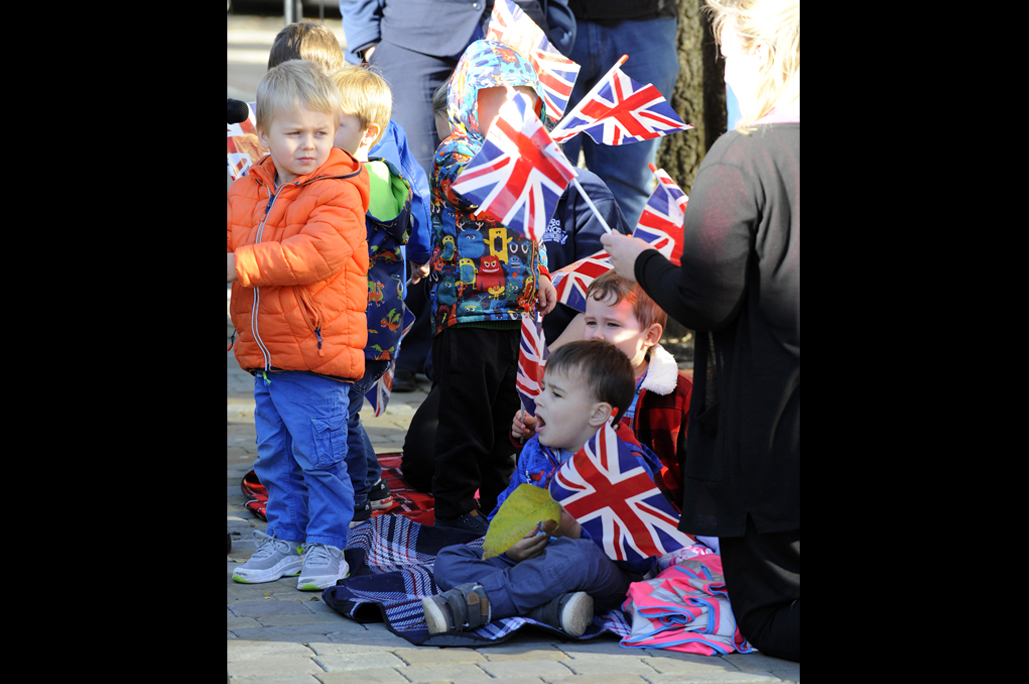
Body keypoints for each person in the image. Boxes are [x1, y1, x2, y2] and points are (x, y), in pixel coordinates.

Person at [600, 0, 799, 661]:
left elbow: (707, 299)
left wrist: (640, 262)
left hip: (771, 435)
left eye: (721, 55)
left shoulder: (738, 161)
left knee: (771, 619)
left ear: (750, 53)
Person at [227, 60, 370, 590]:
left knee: (322, 458)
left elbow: (314, 255)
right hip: (266, 356)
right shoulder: (248, 186)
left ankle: (327, 546)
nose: (310, 145)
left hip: (317, 353)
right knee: (276, 458)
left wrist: (239, 263)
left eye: (322, 132)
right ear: (263, 134)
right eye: (294, 133)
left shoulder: (339, 187)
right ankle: (284, 539)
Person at [422, 339, 664, 637]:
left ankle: (475, 604)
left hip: (600, 574)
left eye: (556, 394)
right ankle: (548, 608)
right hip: (532, 563)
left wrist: (575, 532)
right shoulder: (536, 450)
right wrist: (511, 547)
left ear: (598, 414)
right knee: (449, 560)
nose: (539, 400)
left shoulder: (624, 464)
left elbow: (642, 557)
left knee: (580, 558)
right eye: (543, 388)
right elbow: (504, 511)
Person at [427, 40, 559, 535]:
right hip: (466, 313)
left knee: (507, 417)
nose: (509, 112)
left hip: (513, 314)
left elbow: (531, 220)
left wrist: (542, 271)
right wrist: (523, 158)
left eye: (520, 101)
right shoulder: (456, 152)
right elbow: (482, 193)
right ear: (467, 100)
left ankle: (497, 501)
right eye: (496, 100)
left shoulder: (525, 159)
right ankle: (454, 510)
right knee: (466, 418)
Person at [511, 270, 693, 511]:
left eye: (612, 324)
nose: (596, 334)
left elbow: (699, 473)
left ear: (650, 335)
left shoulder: (679, 394)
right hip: (578, 509)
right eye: (591, 322)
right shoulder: (574, 380)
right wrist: (540, 427)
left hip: (650, 517)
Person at [328, 64, 415, 526]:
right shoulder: (382, 176)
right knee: (347, 411)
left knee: (341, 413)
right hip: (374, 322)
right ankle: (371, 484)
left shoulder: (359, 182)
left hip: (364, 325)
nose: (322, 134)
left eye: (334, 124)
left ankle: (362, 494)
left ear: (369, 133)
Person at [561, 1, 681, 225]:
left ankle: (622, 260)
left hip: (644, 24)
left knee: (627, 188)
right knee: (548, 179)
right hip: (549, 23)